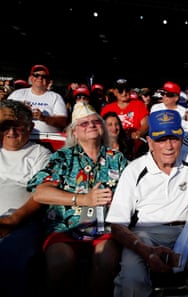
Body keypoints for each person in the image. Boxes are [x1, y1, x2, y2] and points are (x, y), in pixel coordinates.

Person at [106, 109, 188, 297]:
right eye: (161, 140)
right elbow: (117, 224)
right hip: (145, 235)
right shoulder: (134, 171)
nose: (169, 146)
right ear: (149, 142)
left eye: (174, 138)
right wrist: (146, 251)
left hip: (186, 233)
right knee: (132, 277)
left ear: (182, 139)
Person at [26, 102, 129, 297]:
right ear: (74, 132)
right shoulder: (63, 158)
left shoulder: (116, 158)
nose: (91, 125)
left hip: (105, 230)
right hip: (65, 228)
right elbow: (40, 193)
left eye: (96, 122)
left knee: (107, 259)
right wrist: (83, 199)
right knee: (60, 262)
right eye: (84, 123)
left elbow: (135, 188)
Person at [0, 100, 52, 297]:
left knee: (8, 259)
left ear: (30, 128)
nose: (11, 133)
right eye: (6, 126)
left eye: (18, 127)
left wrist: (13, 221)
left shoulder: (40, 154)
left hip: (20, 222)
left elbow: (41, 195)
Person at [7, 64, 68, 133]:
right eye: (36, 75)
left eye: (44, 76)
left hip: (48, 138)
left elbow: (63, 122)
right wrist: (20, 111)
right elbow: (4, 113)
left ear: (48, 80)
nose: (40, 78)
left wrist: (43, 118)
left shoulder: (56, 97)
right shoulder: (17, 94)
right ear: (31, 78)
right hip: (19, 136)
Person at [100, 78, 149, 160]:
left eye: (127, 90)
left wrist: (138, 133)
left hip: (134, 146)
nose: (124, 93)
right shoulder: (107, 109)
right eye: (120, 91)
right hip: (113, 146)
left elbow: (146, 123)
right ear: (115, 92)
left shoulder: (138, 104)